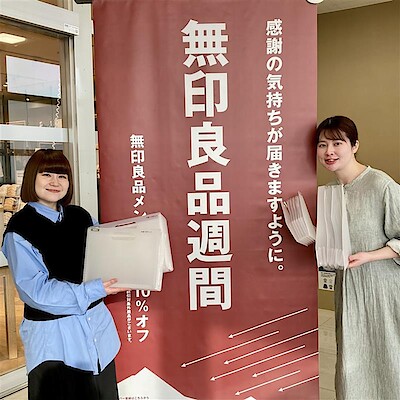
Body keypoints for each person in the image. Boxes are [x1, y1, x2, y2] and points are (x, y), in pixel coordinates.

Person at [2, 149, 128, 400]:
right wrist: (95, 289)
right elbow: (37, 293)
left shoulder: (81, 216)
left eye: (62, 176)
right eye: (46, 174)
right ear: (31, 178)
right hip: (57, 345)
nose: (55, 182)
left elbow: (103, 256)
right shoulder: (20, 229)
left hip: (98, 337)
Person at [316, 116, 400, 400]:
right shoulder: (330, 193)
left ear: (354, 146)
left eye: (337, 143)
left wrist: (371, 256)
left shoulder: (380, 185)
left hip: (382, 290)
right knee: (351, 361)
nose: (329, 151)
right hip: (348, 289)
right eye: (322, 145)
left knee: (388, 358)